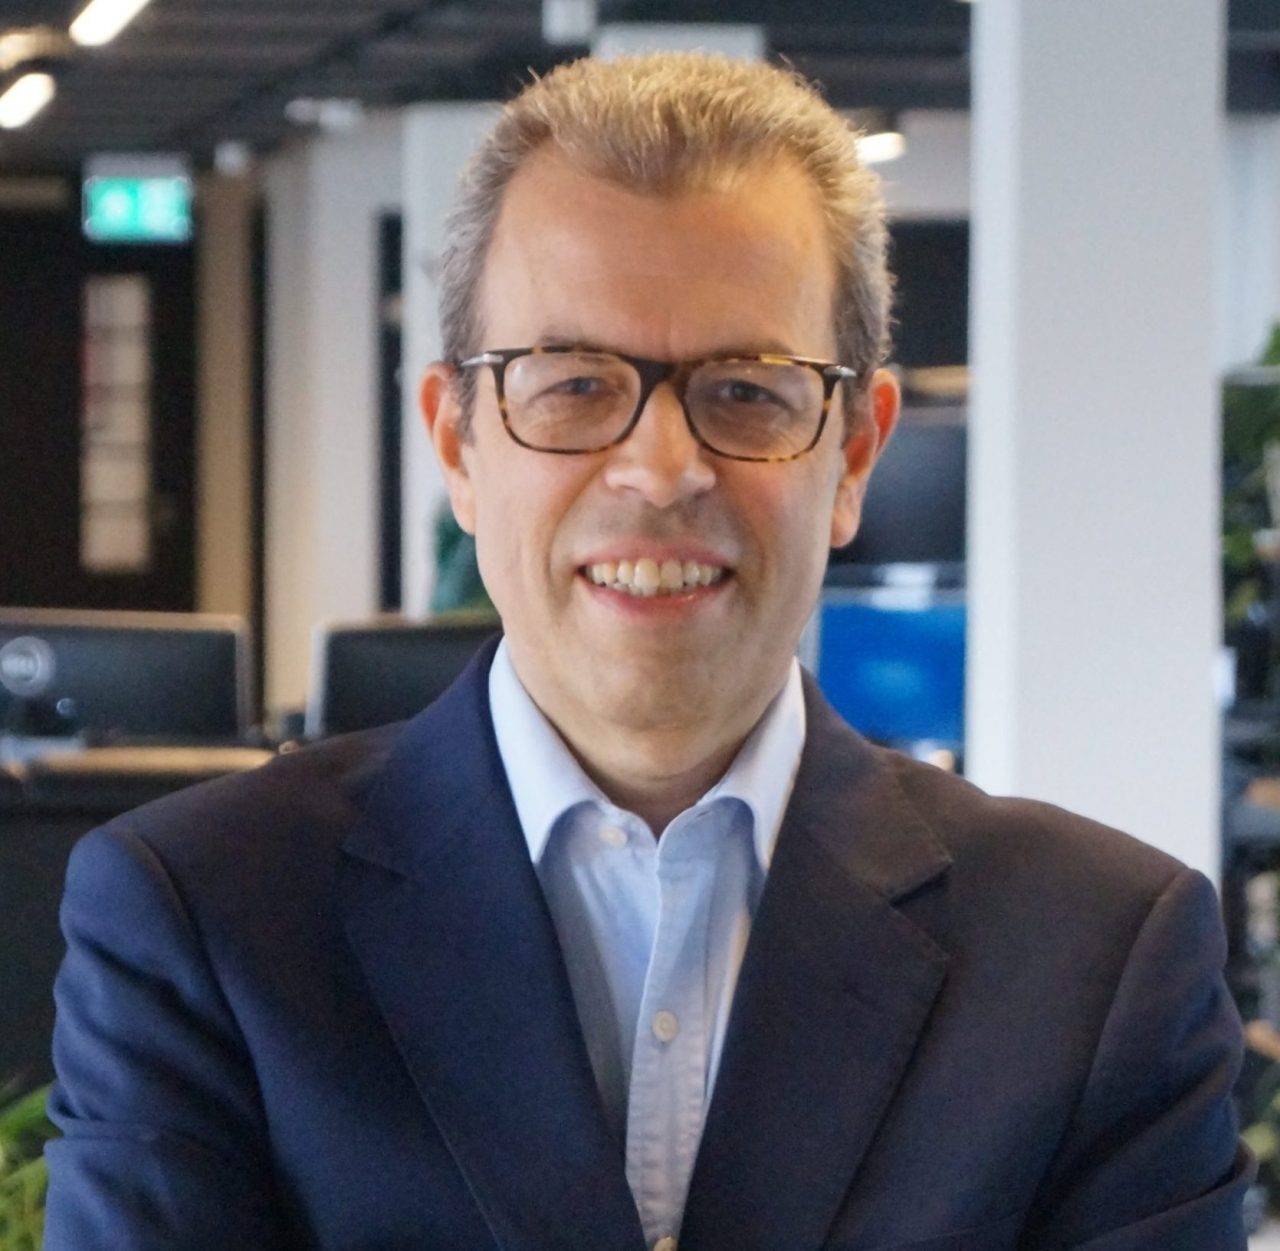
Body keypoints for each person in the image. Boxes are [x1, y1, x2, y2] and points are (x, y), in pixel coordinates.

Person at [44, 52, 1249, 1251]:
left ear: (852, 454)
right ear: (457, 444)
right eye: (572, 385)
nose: (662, 469)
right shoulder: (204, 920)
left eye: (747, 392)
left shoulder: (1097, 960)